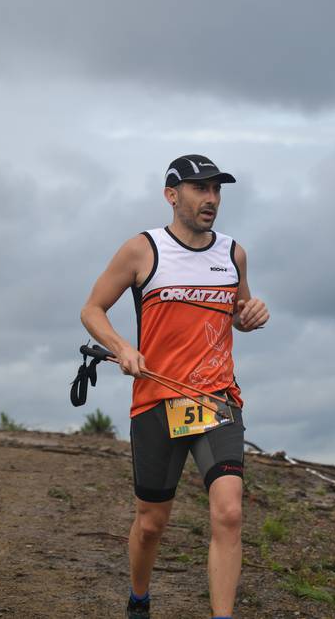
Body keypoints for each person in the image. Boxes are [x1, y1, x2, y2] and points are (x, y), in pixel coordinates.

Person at [80, 155, 269, 618]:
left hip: (216, 399)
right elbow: (92, 310)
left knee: (229, 512)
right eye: (201, 188)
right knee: (151, 523)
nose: (211, 199)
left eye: (217, 189)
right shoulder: (143, 250)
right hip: (157, 400)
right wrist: (123, 347)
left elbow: (238, 313)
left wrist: (249, 316)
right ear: (171, 195)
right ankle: (139, 599)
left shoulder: (233, 254)